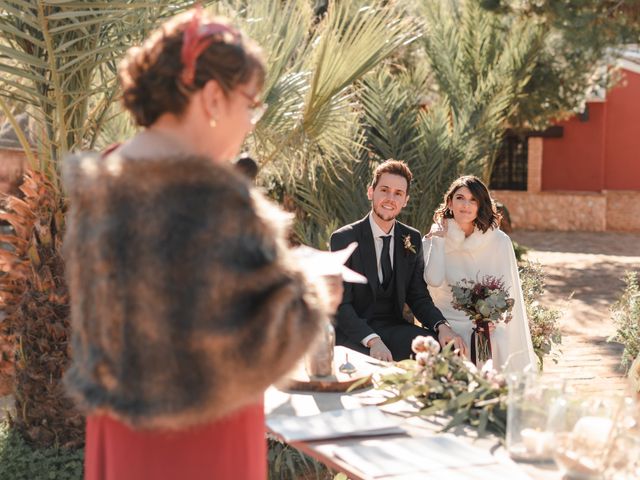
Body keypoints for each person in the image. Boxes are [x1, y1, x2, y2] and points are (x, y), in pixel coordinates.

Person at [62, 8, 340, 480]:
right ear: (213, 97)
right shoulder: (214, 197)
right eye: (250, 104)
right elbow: (257, 349)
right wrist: (314, 291)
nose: (251, 122)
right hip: (204, 443)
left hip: (121, 432)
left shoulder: (105, 173)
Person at [330, 160, 465, 362]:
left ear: (405, 200)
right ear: (371, 192)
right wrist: (373, 340)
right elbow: (341, 304)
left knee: (443, 349)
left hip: (392, 327)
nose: (390, 198)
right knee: (374, 364)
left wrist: (442, 327)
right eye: (384, 190)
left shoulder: (411, 238)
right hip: (355, 332)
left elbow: (418, 295)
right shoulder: (344, 238)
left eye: (398, 193)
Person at [423, 175, 537, 372]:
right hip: (447, 324)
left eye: (473, 199)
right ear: (449, 203)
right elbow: (433, 281)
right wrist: (439, 240)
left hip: (485, 325)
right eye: (460, 198)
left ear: (480, 205)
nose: (466, 205)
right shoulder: (434, 239)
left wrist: (493, 320)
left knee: (497, 338)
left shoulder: (499, 241)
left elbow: (509, 293)